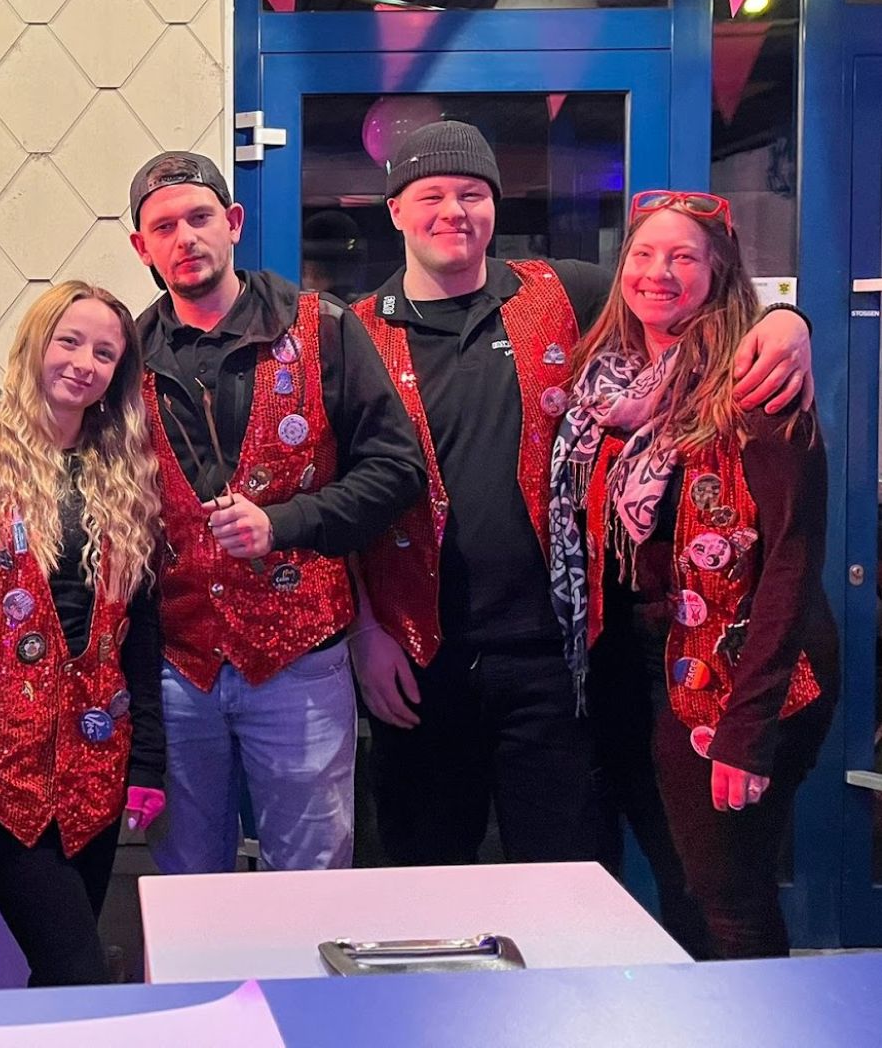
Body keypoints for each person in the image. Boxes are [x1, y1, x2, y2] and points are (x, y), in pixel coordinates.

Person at [345, 121, 814, 875]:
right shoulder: (352, 334)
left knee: (565, 880)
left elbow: (681, 296)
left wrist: (788, 321)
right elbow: (338, 496)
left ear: (495, 206)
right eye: (430, 195)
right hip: (415, 657)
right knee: (423, 877)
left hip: (552, 662)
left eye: (471, 193)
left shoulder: (560, 292)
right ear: (395, 210)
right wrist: (364, 634)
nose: (453, 211)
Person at [548, 191, 836, 958]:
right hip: (634, 669)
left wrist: (746, 728)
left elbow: (791, 563)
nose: (658, 273)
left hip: (735, 675)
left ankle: (758, 1017)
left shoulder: (759, 386)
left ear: (719, 272)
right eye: (643, 254)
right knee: (677, 879)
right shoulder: (602, 382)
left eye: (683, 257)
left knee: (728, 896)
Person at [125, 151, 425, 874]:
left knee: (311, 876)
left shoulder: (324, 329)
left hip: (300, 659)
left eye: (199, 217)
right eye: (163, 227)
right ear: (141, 247)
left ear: (233, 223)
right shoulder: (124, 354)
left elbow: (397, 470)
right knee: (187, 880)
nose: (184, 237)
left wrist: (284, 523)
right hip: (176, 665)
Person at [0, 281, 166, 986]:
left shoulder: (128, 469)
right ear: (34, 345)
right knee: (76, 964)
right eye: (69, 341)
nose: (84, 363)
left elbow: (141, 629)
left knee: (61, 971)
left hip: (97, 760)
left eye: (104, 353)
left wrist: (147, 763)